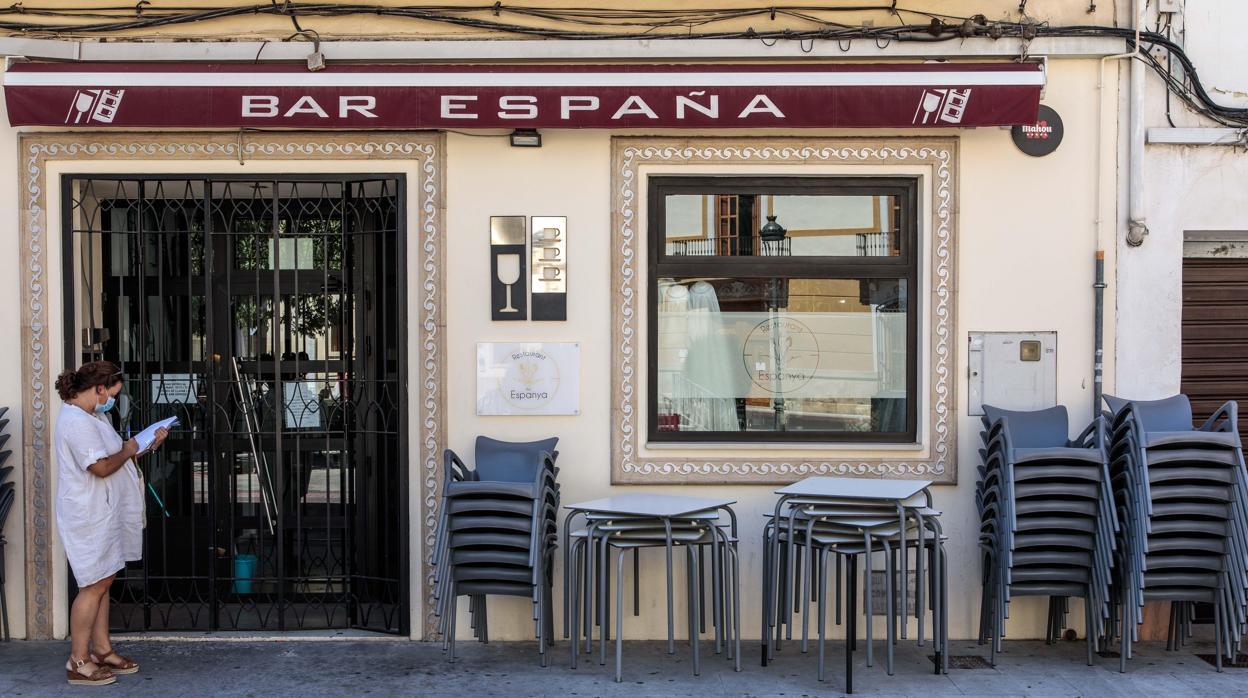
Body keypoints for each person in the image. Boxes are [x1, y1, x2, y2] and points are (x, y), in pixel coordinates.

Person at [54, 361, 168, 686]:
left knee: (104, 581)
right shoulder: (76, 422)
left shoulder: (94, 416)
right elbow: (101, 467)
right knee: (92, 584)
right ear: (99, 388)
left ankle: (102, 650)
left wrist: (145, 445)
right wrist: (131, 447)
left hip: (103, 512)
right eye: (112, 394)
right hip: (87, 515)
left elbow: (116, 455)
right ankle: (78, 660)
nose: (112, 400)